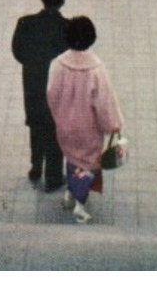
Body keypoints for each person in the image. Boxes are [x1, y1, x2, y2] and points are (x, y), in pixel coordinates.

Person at [47, 15, 123, 225]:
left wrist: (60, 116)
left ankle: (70, 194)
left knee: (72, 159)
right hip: (88, 129)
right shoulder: (96, 69)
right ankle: (80, 203)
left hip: (65, 126)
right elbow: (105, 103)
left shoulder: (58, 64)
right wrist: (113, 125)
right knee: (87, 166)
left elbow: (51, 93)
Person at [11, 0, 69, 191]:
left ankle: (36, 165)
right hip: (57, 91)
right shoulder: (66, 28)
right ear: (63, 1)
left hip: (33, 86)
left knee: (35, 126)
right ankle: (53, 177)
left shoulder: (25, 23)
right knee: (54, 130)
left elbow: (18, 52)